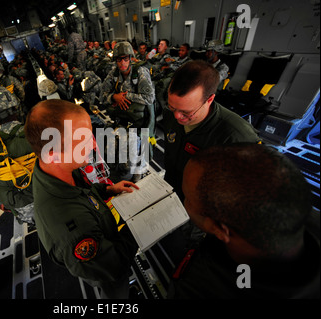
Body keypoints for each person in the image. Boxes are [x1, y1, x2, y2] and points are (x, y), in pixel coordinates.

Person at [168, 143, 320, 299]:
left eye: (187, 198)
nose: (184, 200)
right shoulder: (294, 212)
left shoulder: (196, 290)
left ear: (220, 229)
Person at [24, 99, 139, 299]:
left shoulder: (54, 169)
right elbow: (112, 265)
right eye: (83, 141)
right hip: (105, 267)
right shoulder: (73, 228)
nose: (94, 144)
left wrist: (107, 189)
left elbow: (82, 190)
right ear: (54, 155)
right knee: (116, 290)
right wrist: (139, 224)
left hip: (101, 231)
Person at [163, 60, 261, 201]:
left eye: (186, 112)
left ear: (209, 100)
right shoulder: (170, 114)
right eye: (172, 107)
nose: (177, 116)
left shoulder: (237, 137)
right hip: (171, 188)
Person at [100, 41, 155, 182]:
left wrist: (125, 95)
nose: (122, 63)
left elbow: (150, 98)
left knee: (138, 161)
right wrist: (114, 97)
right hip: (123, 121)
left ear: (131, 58)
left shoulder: (140, 72)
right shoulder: (114, 74)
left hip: (140, 123)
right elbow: (101, 95)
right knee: (118, 157)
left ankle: (139, 179)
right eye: (119, 59)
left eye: (125, 59)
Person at [0, 86, 36, 225]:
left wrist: (4, 201)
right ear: (15, 107)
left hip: (25, 208)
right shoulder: (36, 131)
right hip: (54, 193)